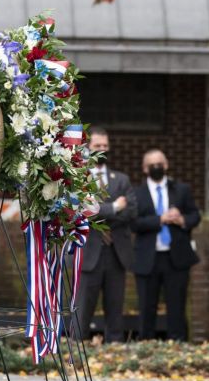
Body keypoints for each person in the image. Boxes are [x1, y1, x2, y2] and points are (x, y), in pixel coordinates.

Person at [70, 126, 136, 343]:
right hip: (90, 253)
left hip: (116, 254)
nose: (102, 149)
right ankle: (76, 352)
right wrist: (114, 208)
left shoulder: (122, 179)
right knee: (83, 309)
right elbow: (81, 212)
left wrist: (101, 210)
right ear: (89, 148)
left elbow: (132, 211)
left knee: (115, 307)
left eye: (105, 146)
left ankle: (114, 351)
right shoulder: (80, 179)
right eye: (98, 146)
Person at [132, 149, 201, 341]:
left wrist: (181, 220)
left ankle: (177, 347)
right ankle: (146, 346)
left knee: (177, 306)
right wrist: (160, 219)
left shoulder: (181, 189)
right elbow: (134, 223)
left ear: (166, 165)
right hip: (148, 258)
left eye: (160, 163)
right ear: (145, 169)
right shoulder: (136, 193)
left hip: (175, 258)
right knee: (147, 307)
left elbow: (195, 216)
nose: (157, 167)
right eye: (152, 164)